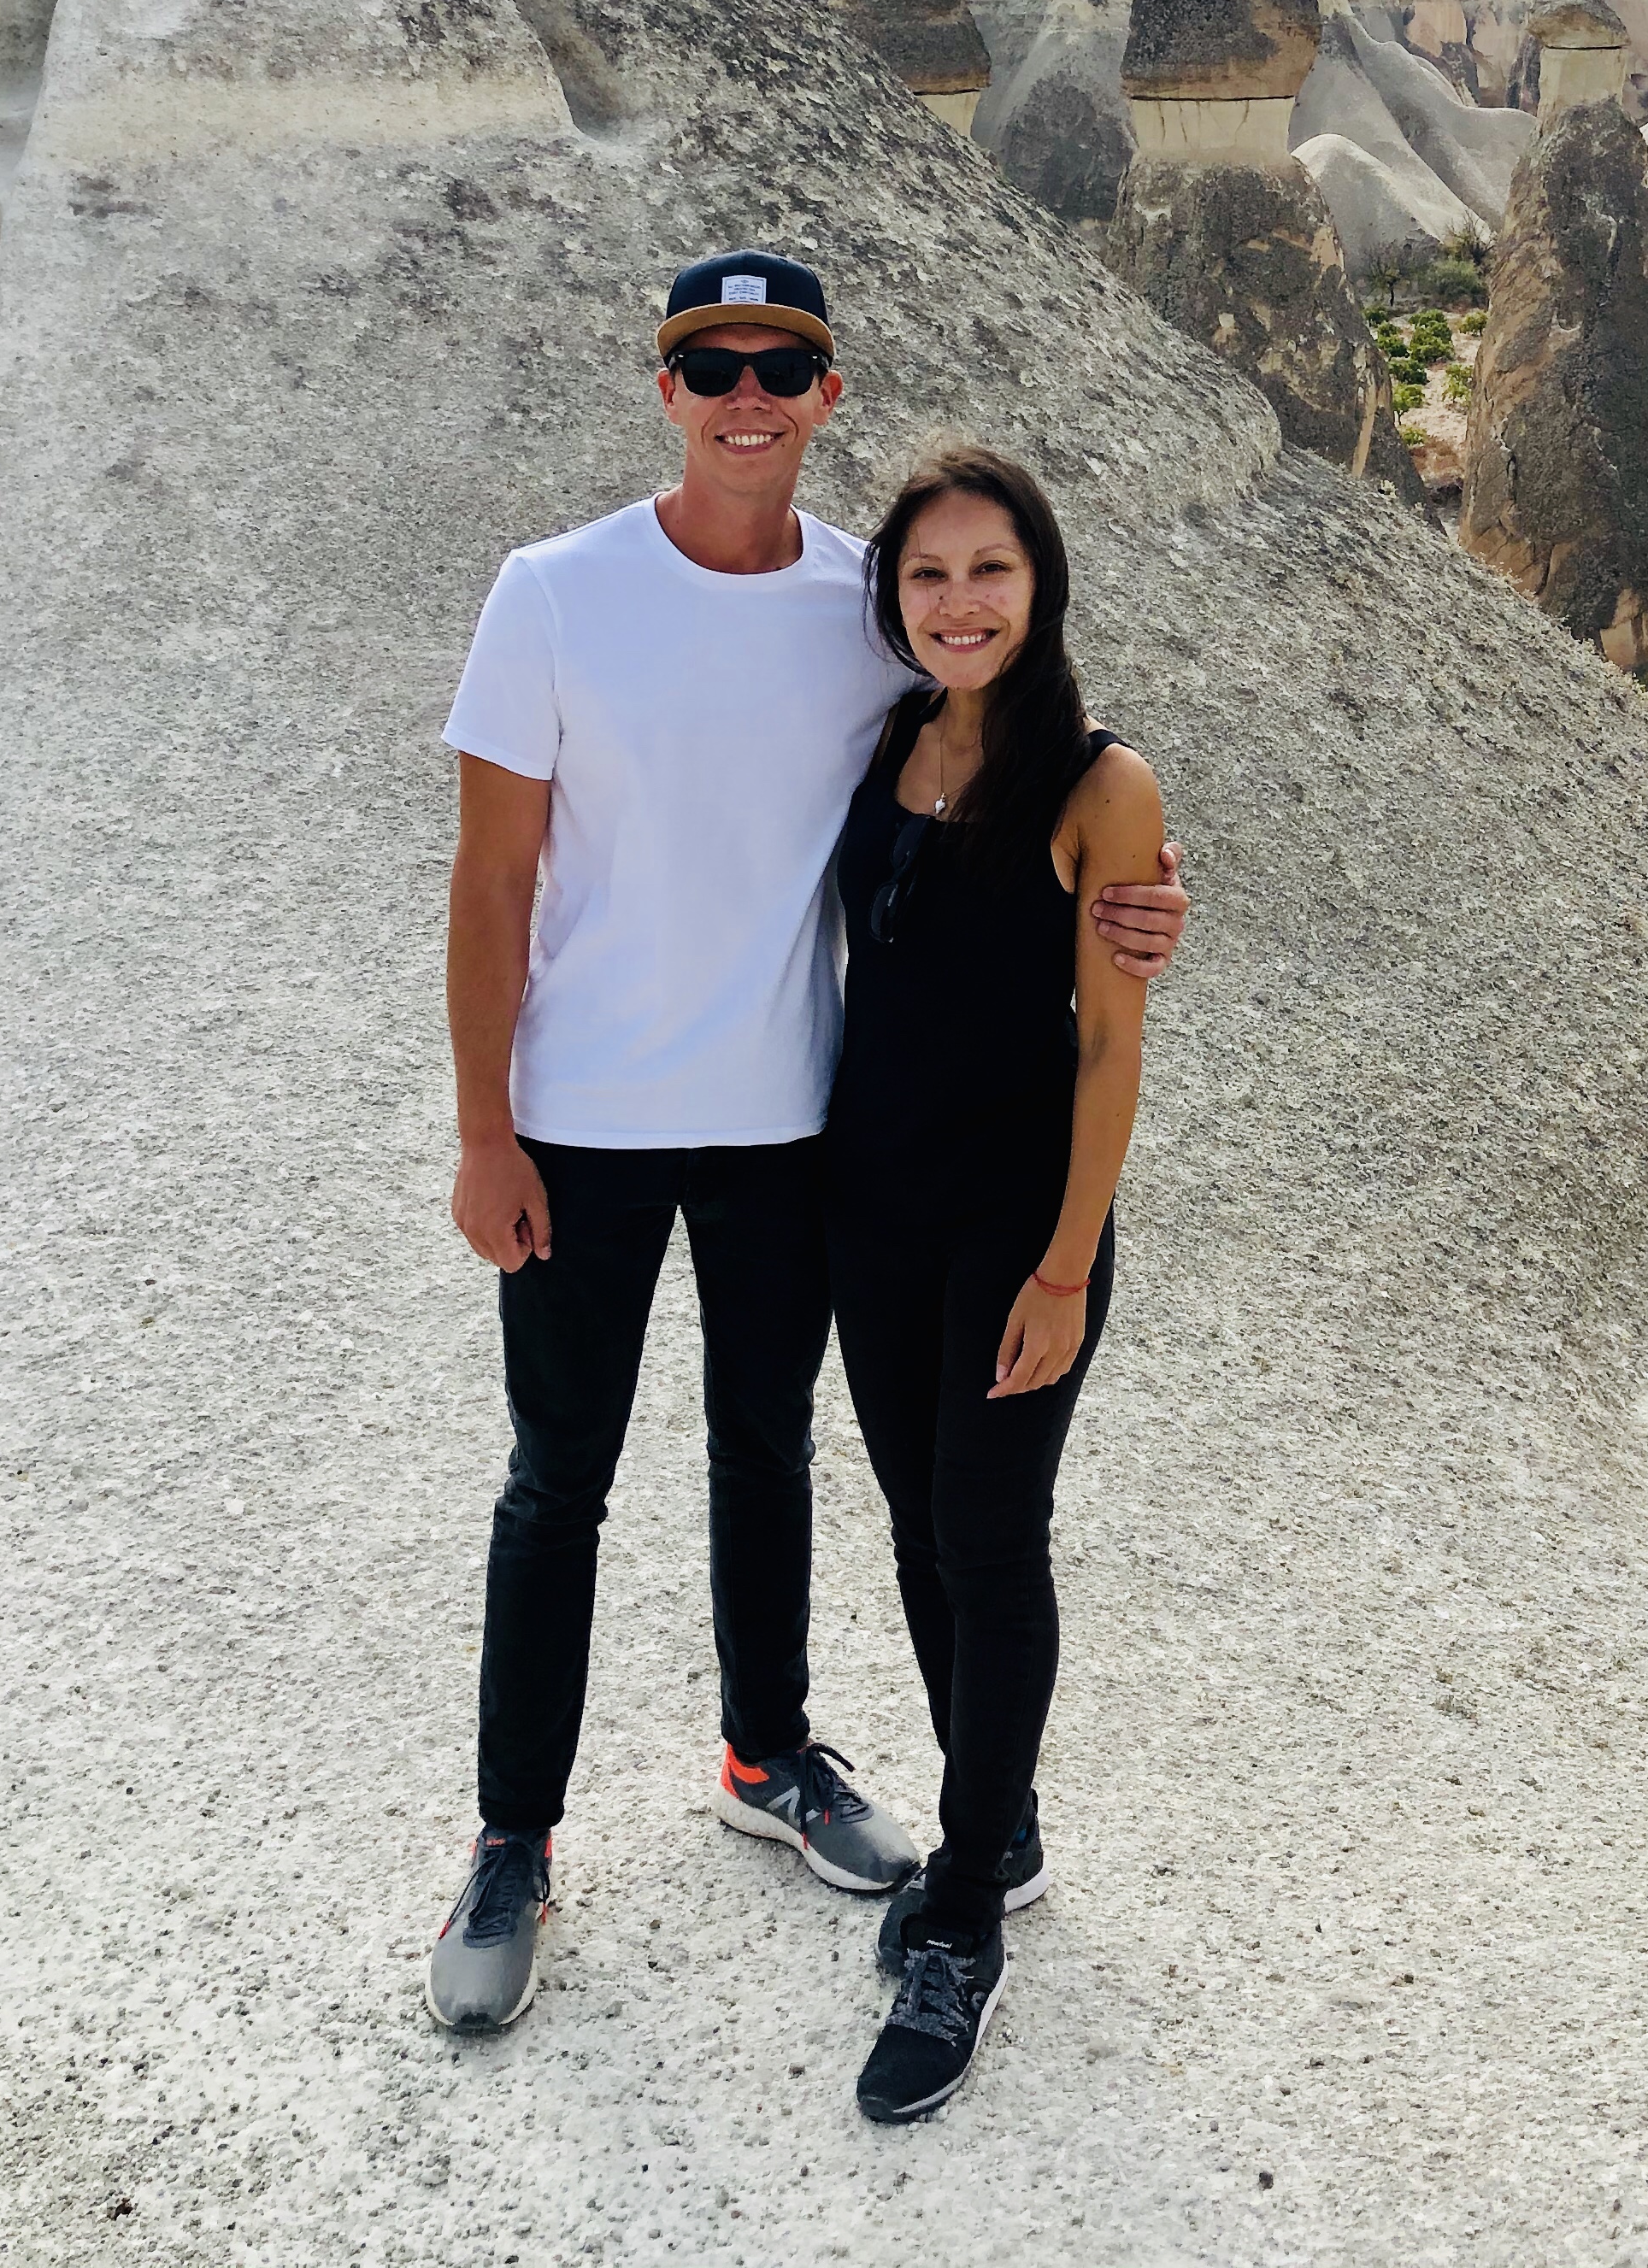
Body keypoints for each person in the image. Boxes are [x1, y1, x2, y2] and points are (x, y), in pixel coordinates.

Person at [425, 252, 1186, 2032]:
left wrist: (1143, 896)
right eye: (714, 365)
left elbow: (1010, 769)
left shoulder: (876, 604)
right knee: (557, 1481)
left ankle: (766, 1755)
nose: (748, 394)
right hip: (581, 1123)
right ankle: (514, 1840)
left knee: (765, 1451)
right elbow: (490, 883)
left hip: (790, 1127)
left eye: (783, 365)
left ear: (829, 395)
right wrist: (482, 1130)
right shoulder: (551, 594)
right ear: (669, 389)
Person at [822, 444, 1161, 2125]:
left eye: (992, 570)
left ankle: (964, 1913)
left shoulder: (1101, 785)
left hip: (1016, 1225)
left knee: (989, 1533)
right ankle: (995, 1816)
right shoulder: (889, 739)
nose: (961, 602)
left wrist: (1068, 1266)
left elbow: (1110, 1048)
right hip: (869, 1208)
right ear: (896, 599)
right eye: (930, 574)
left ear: (1042, 586)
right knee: (914, 1523)